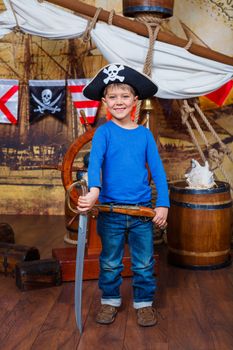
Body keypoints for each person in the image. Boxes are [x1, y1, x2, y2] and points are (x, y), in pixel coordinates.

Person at [77, 63, 169, 327]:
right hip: (111, 212)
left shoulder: (145, 135)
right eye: (113, 97)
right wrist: (94, 191)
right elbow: (95, 163)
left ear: (135, 101)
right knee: (110, 262)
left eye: (125, 96)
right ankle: (110, 301)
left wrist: (162, 204)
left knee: (143, 262)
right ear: (105, 101)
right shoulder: (103, 132)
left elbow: (159, 173)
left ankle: (143, 303)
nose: (119, 102)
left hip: (141, 212)